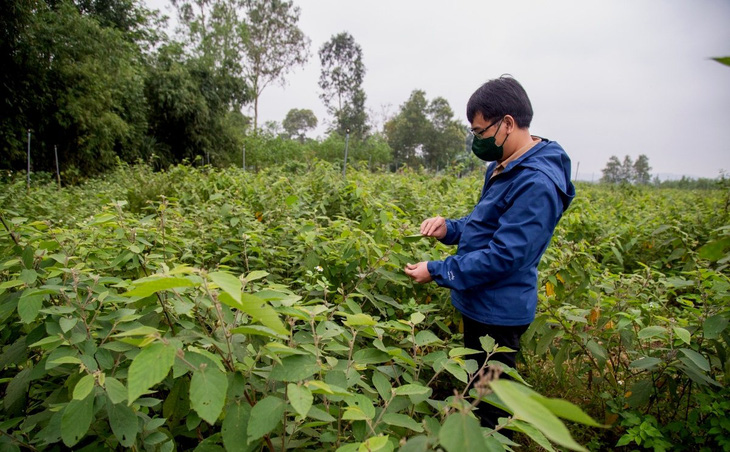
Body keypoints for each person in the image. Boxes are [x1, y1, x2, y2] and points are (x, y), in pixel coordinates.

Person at [404, 75, 575, 431]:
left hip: (499, 312)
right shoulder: (504, 165)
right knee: (477, 383)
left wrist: (437, 270)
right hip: (481, 301)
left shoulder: (536, 183)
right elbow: (484, 224)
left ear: (508, 124)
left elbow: (503, 255)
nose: (477, 140)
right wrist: (449, 228)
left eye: (480, 131)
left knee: (491, 402)